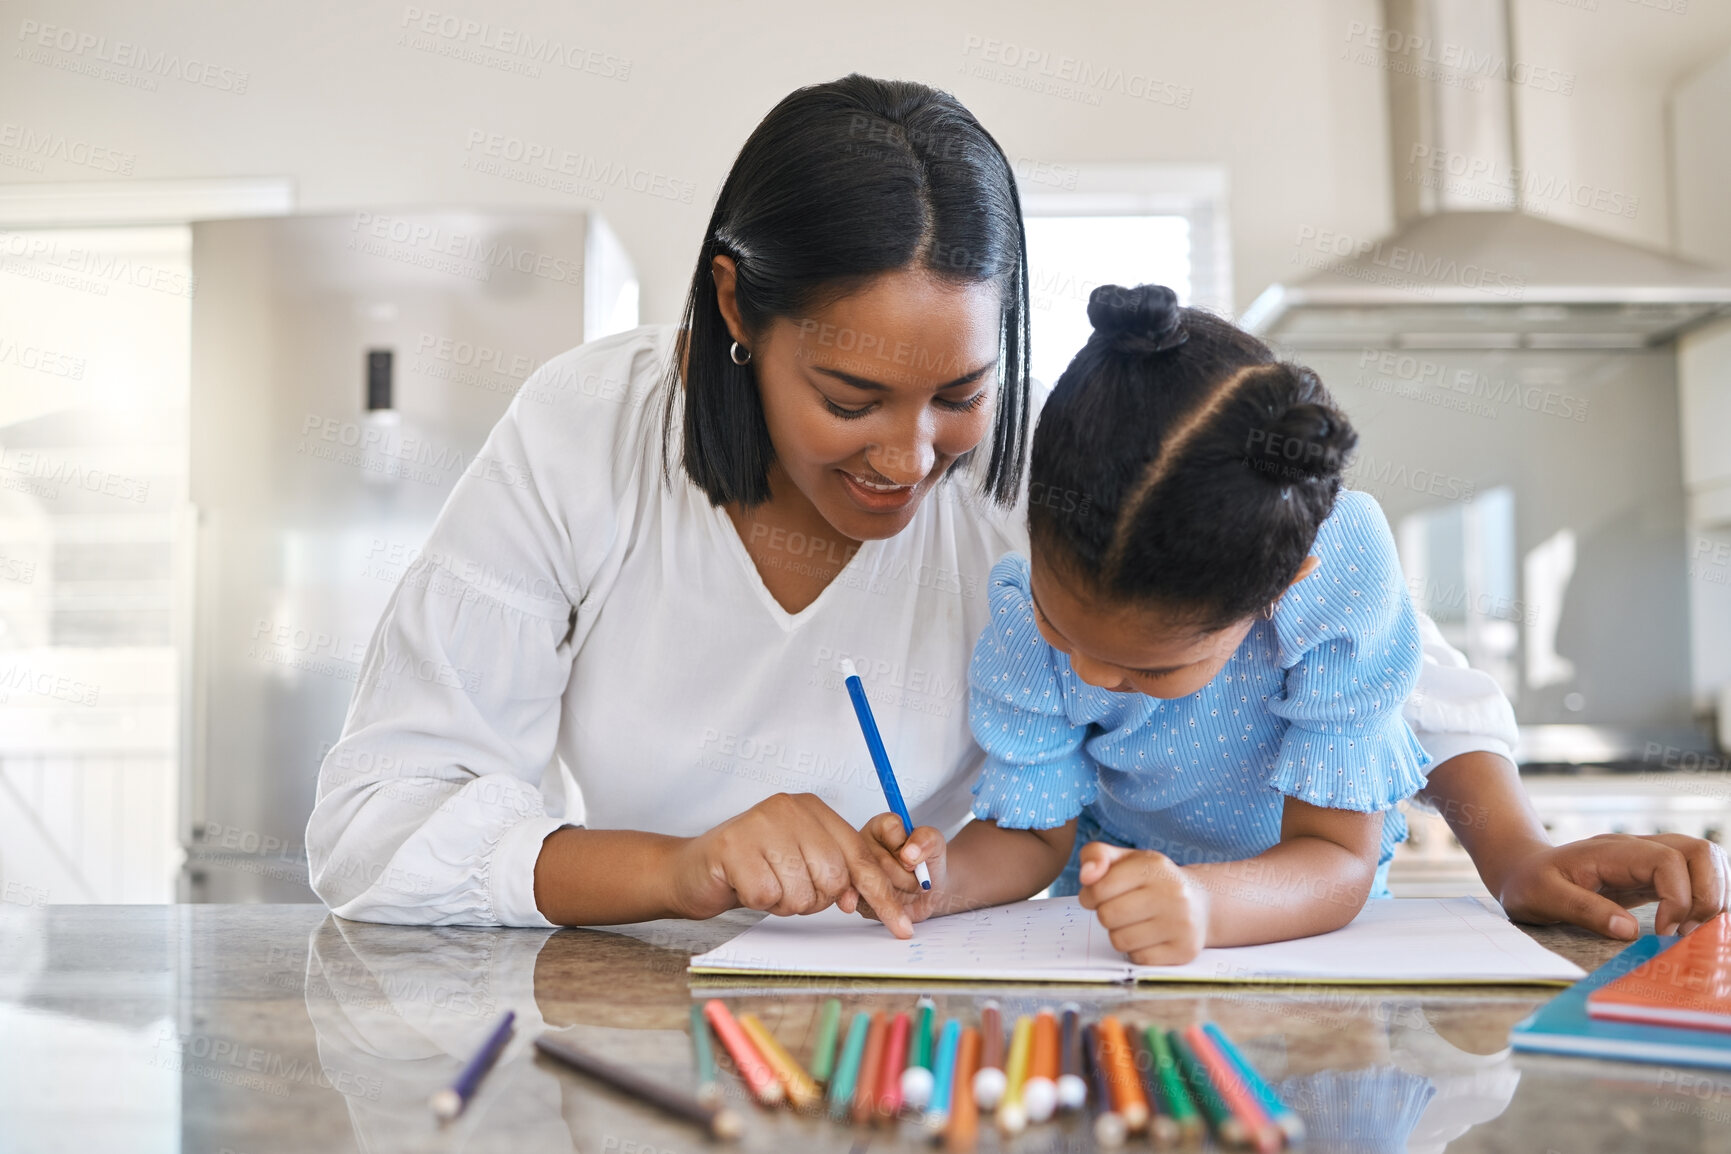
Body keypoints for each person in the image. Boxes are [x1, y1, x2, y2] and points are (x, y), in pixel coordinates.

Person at [306, 75, 1726, 940]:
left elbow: (1387, 666)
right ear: (738, 306)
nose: (911, 458)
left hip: (949, 1032)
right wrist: (674, 869)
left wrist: (1520, 855)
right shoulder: (583, 431)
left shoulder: (1061, 480)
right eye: (848, 393)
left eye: (960, 391)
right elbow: (376, 826)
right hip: (650, 1020)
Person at [860, 285, 1729, 959]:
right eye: (1063, 632)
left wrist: (1201, 905)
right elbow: (1035, 831)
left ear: (1283, 586)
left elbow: (1336, 861)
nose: (1090, 677)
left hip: (1307, 930)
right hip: (1113, 940)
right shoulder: (1022, 605)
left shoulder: (1335, 578)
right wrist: (945, 882)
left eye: (1153, 670)